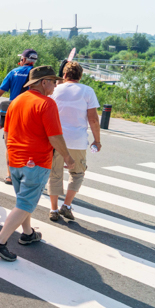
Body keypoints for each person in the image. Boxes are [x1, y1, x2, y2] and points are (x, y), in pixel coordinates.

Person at [0, 65, 75, 262]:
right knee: (26, 203)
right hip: (37, 161)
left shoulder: (16, 101)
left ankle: (27, 233)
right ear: (43, 83)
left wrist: (10, 155)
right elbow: (55, 136)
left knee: (23, 200)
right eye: (53, 81)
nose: (56, 84)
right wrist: (68, 158)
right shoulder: (47, 103)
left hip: (15, 159)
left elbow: (7, 132)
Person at [48, 61, 101, 221]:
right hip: (77, 141)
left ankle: (53, 209)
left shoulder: (55, 90)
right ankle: (67, 205)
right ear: (80, 75)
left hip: (57, 139)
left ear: (64, 75)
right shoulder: (87, 91)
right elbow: (93, 119)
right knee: (77, 173)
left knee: (55, 174)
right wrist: (97, 141)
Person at [0, 49, 39, 184]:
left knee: (10, 144)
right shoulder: (37, 74)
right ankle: (26, 174)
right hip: (31, 113)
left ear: (23, 59)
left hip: (13, 112)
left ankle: (10, 175)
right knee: (28, 144)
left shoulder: (14, 72)